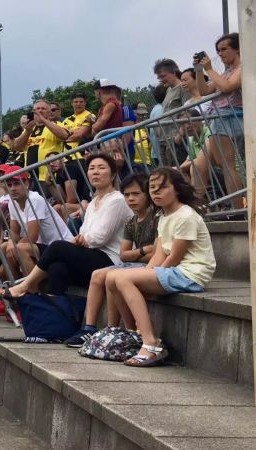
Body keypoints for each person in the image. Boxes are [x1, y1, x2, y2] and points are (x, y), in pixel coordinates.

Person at [105, 168, 215, 367]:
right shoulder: (164, 216)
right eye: (152, 188)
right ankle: (134, 336)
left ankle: (151, 343)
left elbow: (174, 256)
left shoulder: (185, 216)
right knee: (112, 277)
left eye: (163, 187)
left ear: (177, 190)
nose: (156, 192)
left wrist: (149, 277)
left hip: (191, 273)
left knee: (123, 278)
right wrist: (146, 274)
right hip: (175, 270)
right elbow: (159, 253)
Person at [1, 154, 132, 299]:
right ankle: (58, 312)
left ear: (113, 175)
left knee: (58, 246)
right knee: (56, 267)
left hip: (110, 259)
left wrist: (80, 240)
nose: (95, 172)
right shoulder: (93, 202)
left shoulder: (117, 200)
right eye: (91, 168)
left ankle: (26, 287)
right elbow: (84, 231)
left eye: (101, 168)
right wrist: (81, 239)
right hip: (90, 253)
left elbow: (99, 238)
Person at [63, 173, 159, 347]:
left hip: (150, 266)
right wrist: (144, 250)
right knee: (99, 275)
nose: (131, 199)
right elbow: (124, 254)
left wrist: (137, 253)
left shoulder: (157, 218)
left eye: (136, 194)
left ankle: (121, 329)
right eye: (127, 195)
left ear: (148, 194)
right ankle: (94, 328)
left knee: (111, 276)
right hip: (134, 263)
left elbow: (158, 253)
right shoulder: (131, 221)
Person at [193, 32, 244, 209]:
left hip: (231, 118)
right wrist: (199, 71)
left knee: (227, 165)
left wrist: (209, 69)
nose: (220, 53)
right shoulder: (227, 71)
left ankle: (238, 211)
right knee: (198, 166)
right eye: (217, 50)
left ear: (237, 49)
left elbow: (228, 87)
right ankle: (196, 209)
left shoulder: (242, 68)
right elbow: (205, 91)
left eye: (224, 49)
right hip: (219, 119)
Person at [0, 164, 73, 278]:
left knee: (20, 248)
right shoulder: (11, 203)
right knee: (3, 261)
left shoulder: (35, 199)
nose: (12, 188)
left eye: (17, 183)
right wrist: (10, 243)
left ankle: (34, 290)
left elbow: (32, 237)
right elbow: (14, 232)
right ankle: (22, 292)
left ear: (27, 184)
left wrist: (14, 247)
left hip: (60, 246)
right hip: (43, 246)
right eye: (9, 185)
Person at [12, 100, 68, 186]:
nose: (40, 111)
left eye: (43, 108)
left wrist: (44, 120)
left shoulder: (56, 124)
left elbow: (64, 135)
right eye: (37, 109)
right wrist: (27, 132)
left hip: (49, 176)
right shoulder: (29, 129)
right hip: (30, 178)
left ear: (49, 112)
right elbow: (15, 146)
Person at [90, 79, 127, 170]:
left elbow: (98, 126)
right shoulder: (108, 104)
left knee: (112, 169)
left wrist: (93, 125)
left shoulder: (110, 104)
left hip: (111, 142)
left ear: (99, 92)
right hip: (109, 141)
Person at [46, 151, 91, 224]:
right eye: (48, 163)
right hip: (77, 204)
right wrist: (49, 184)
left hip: (87, 203)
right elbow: (61, 200)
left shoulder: (69, 169)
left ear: (62, 159)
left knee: (65, 207)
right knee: (56, 208)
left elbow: (71, 199)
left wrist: (65, 204)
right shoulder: (58, 175)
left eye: (54, 160)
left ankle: (70, 233)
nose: (51, 164)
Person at [132, 103, 153, 170]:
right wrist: (139, 141)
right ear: (135, 113)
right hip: (135, 161)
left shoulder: (147, 126)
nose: (142, 116)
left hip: (146, 161)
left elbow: (150, 143)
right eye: (140, 114)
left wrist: (150, 143)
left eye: (144, 114)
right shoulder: (132, 126)